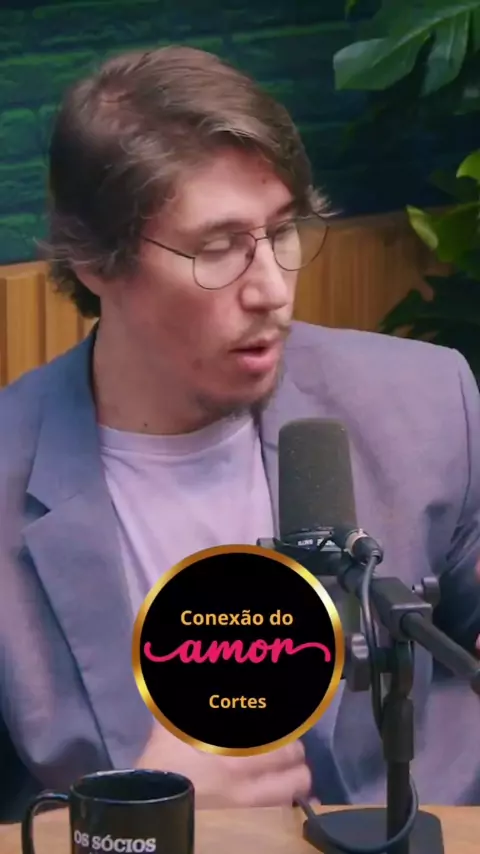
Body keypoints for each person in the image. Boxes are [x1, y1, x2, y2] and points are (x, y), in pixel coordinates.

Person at [1, 45, 480, 822]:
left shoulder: (426, 404)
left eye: (282, 231)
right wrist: (131, 815)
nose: (271, 291)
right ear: (96, 263)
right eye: (218, 248)